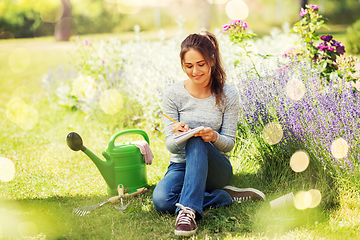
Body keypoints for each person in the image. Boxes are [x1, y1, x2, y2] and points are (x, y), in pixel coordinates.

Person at [152, 31, 265, 237]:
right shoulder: (172, 95)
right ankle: (223, 197)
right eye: (189, 66)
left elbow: (229, 143)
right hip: (181, 166)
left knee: (197, 141)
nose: (195, 71)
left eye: (201, 64)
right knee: (162, 200)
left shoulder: (228, 95)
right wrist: (177, 136)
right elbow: (170, 146)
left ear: (212, 61)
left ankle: (187, 212)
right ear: (182, 65)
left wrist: (213, 137)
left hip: (216, 169)